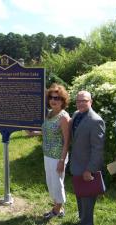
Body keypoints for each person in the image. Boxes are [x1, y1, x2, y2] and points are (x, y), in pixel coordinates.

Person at [70, 91, 105, 225]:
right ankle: (82, 220)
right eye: (78, 101)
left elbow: (98, 149)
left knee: (88, 201)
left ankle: (86, 222)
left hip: (87, 168)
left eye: (84, 100)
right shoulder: (76, 114)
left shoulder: (96, 121)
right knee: (80, 197)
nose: (81, 103)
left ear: (91, 102)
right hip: (76, 165)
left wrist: (90, 169)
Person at [42, 84, 70, 219]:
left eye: (58, 98)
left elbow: (67, 141)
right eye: (52, 98)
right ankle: (58, 206)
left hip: (58, 156)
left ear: (62, 101)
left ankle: (56, 210)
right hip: (47, 154)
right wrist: (33, 132)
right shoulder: (49, 114)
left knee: (57, 183)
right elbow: (47, 132)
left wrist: (62, 160)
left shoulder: (64, 117)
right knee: (51, 182)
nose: (54, 100)